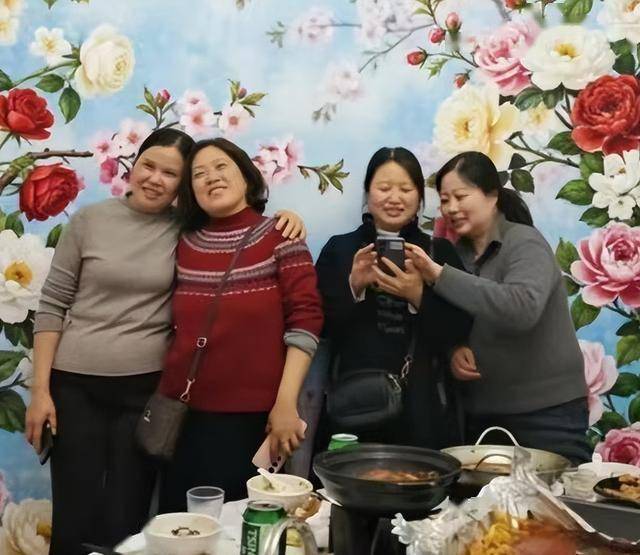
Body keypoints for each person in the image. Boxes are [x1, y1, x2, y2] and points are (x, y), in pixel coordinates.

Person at [24, 128, 307, 555]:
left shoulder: (187, 230)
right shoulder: (90, 221)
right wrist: (40, 391)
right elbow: (53, 304)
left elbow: (241, 227)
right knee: (73, 516)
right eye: (148, 166)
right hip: (75, 387)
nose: (156, 179)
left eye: (171, 173)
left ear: (181, 186)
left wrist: (287, 218)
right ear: (133, 166)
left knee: (128, 520)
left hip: (146, 392)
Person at [158, 138, 323, 510]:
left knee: (244, 526)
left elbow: (306, 321)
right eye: (199, 174)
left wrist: (285, 404)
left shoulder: (280, 236)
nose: (211, 177)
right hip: (184, 421)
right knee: (183, 527)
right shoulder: (184, 244)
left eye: (221, 167)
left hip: (254, 421)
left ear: (247, 178)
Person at [407, 151, 590, 463]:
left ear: (492, 195)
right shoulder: (456, 254)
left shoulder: (524, 242)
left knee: (554, 494)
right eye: (445, 200)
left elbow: (521, 309)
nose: (451, 208)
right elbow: (454, 319)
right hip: (481, 416)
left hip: (547, 416)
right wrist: (454, 350)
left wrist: (439, 275)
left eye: (460, 196)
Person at [315, 147, 472, 448]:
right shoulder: (340, 249)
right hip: (353, 404)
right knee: (348, 475)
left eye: (406, 189)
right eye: (384, 188)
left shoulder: (438, 252)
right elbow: (319, 328)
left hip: (423, 408)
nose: (394, 198)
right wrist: (353, 288)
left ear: (419, 197)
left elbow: (461, 328)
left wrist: (417, 296)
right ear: (367, 193)